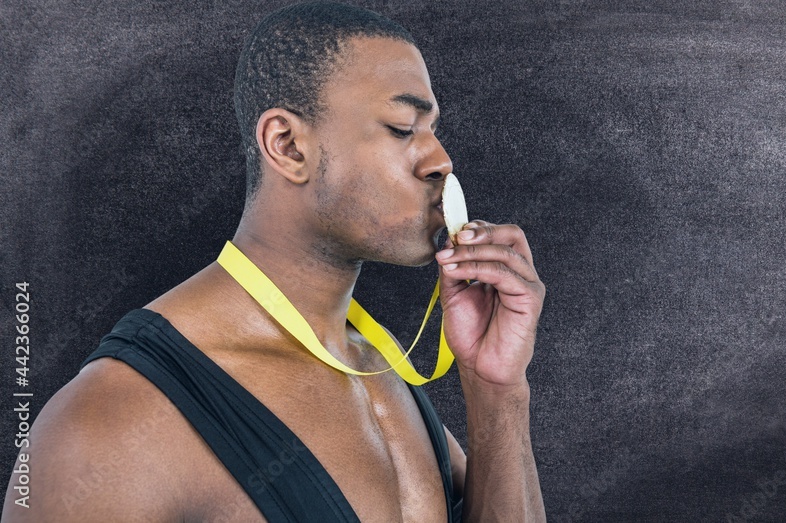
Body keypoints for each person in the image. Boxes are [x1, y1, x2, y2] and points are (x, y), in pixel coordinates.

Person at [2, 2, 546, 521]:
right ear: (286, 145)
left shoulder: (384, 379)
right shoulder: (109, 422)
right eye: (404, 128)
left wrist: (496, 390)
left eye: (432, 131)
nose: (441, 160)